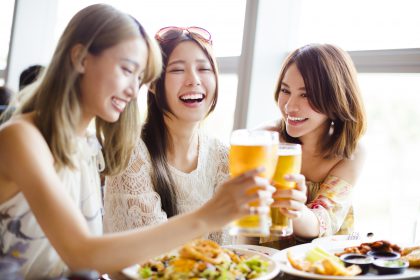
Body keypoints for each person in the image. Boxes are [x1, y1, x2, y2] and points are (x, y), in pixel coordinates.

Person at [0, 4, 273, 278]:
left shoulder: (86, 145)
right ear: (81, 58)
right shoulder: (21, 138)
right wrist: (209, 215)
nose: (133, 90)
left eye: (139, 77)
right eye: (126, 69)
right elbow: (82, 254)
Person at [104, 26, 232, 244]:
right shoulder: (131, 154)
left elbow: (230, 247)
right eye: (177, 70)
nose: (194, 80)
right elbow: (153, 255)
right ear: (153, 83)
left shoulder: (222, 156)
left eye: (204, 69)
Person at [260, 43, 366, 245]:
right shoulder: (265, 140)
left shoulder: (352, 152)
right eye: (285, 90)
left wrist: (295, 208)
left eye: (305, 94)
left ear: (335, 97)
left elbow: (323, 221)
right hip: (267, 266)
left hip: (323, 268)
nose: (290, 106)